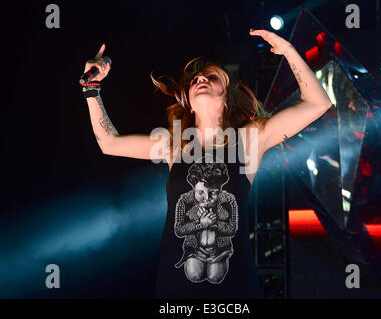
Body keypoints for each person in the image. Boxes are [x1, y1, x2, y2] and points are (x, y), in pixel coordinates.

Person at [82, 29, 332, 298]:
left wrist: (288, 51)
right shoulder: (173, 144)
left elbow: (318, 103)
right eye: (195, 80)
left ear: (226, 100)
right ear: (189, 103)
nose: (200, 78)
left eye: (212, 77)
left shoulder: (249, 140)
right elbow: (109, 143)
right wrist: (91, 88)